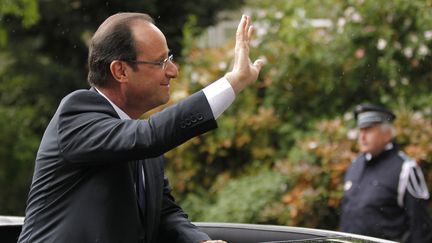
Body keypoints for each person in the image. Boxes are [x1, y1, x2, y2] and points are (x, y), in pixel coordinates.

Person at [18, 12, 264, 243]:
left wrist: (199, 241)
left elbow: (164, 213)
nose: (173, 71)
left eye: (170, 58)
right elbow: (149, 136)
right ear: (120, 71)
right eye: (160, 62)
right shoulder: (76, 114)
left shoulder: (137, 135)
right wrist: (233, 82)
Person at [340, 103, 432, 242]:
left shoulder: (405, 169)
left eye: (369, 129)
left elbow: (420, 226)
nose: (362, 136)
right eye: (360, 130)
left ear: (387, 133)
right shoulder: (355, 165)